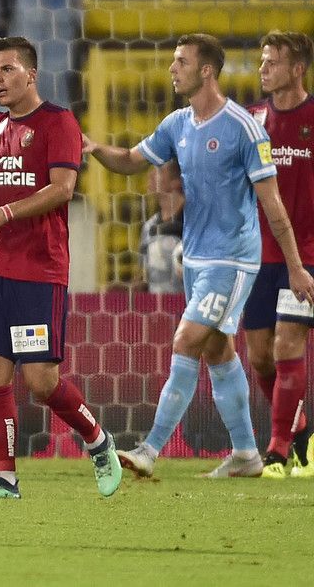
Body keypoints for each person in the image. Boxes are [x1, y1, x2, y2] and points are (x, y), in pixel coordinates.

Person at [83, 33, 314, 478]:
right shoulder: (177, 124)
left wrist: (296, 266)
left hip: (235, 258)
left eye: (181, 61)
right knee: (218, 350)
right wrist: (94, 150)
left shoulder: (244, 126)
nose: (172, 69)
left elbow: (273, 204)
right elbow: (131, 159)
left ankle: (150, 449)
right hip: (197, 257)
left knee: (186, 340)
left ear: (206, 71)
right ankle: (246, 454)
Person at [0, 37, 123, 501]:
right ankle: (5, 480)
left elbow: (63, 188)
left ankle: (98, 441)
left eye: (7, 69)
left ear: (31, 74)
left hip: (40, 271)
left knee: (40, 381)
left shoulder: (59, 121)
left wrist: (5, 213)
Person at [242, 30, 314, 478]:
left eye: (273, 62)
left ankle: (278, 450)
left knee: (288, 342)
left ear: (297, 69)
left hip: (305, 255)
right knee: (259, 357)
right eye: (262, 61)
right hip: (259, 255)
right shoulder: (253, 120)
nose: (263, 69)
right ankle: (301, 428)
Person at [140, 161, 185, 294]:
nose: (151, 175)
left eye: (158, 171)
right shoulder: (149, 226)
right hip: (157, 304)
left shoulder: (194, 223)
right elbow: (146, 277)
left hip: (187, 303)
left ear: (176, 181)